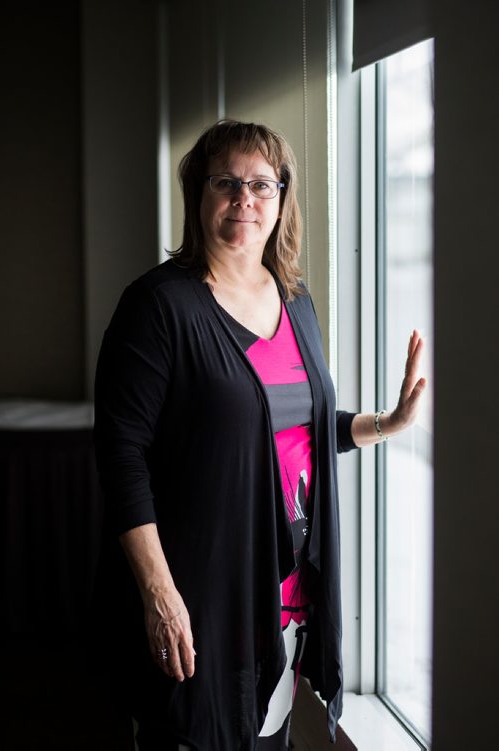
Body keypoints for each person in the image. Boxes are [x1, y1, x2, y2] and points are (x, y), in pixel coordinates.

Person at [92, 119, 425, 751]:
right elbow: (121, 455)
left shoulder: (296, 300)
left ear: (281, 198)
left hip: (287, 590)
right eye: (227, 182)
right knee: (193, 734)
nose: (245, 198)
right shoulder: (158, 307)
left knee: (267, 735)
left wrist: (387, 424)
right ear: (200, 194)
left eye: (262, 185)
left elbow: (292, 426)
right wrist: (160, 595)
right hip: (200, 592)